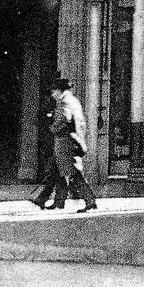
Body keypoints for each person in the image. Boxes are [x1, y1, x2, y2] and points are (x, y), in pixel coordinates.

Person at [48, 78, 98, 213]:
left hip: (65, 141)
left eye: (54, 91)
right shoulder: (72, 100)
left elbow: (66, 120)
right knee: (59, 171)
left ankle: (90, 200)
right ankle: (59, 201)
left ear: (59, 90)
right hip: (70, 140)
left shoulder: (65, 101)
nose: (52, 94)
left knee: (71, 173)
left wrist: (53, 128)